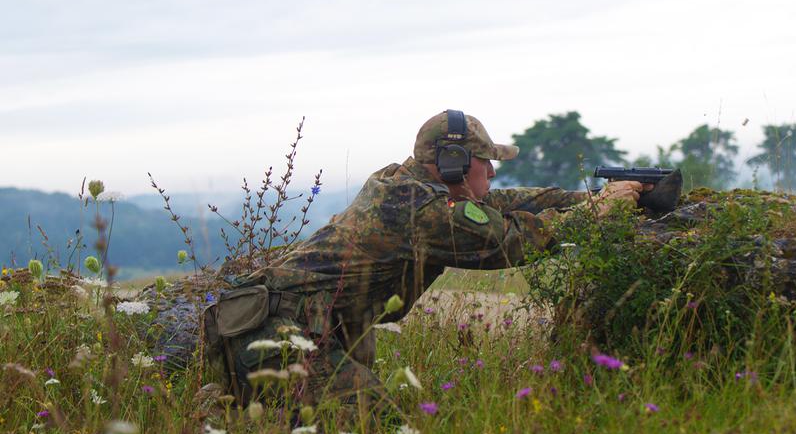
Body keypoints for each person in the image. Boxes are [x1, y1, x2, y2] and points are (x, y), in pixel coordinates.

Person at [204, 110, 653, 412]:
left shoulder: (411, 184)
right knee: (380, 430)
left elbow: (501, 202)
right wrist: (595, 215)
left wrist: (588, 198)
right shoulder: (423, 210)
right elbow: (510, 241)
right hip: (279, 331)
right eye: (485, 161)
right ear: (453, 161)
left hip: (302, 324)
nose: (492, 172)